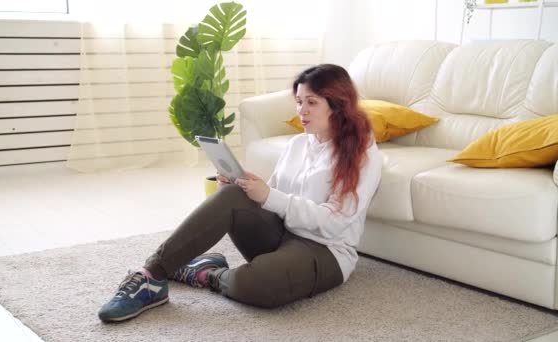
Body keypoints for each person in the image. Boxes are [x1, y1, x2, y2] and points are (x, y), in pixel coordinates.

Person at [98, 64, 382, 322]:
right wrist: (240, 189)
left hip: (326, 250)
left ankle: (206, 273)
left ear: (338, 105)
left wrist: (269, 195)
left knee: (256, 285)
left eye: (311, 102)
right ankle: (152, 276)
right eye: (298, 101)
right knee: (232, 196)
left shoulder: (361, 154)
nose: (301, 110)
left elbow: (335, 221)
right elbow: (276, 198)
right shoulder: (299, 144)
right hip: (282, 233)